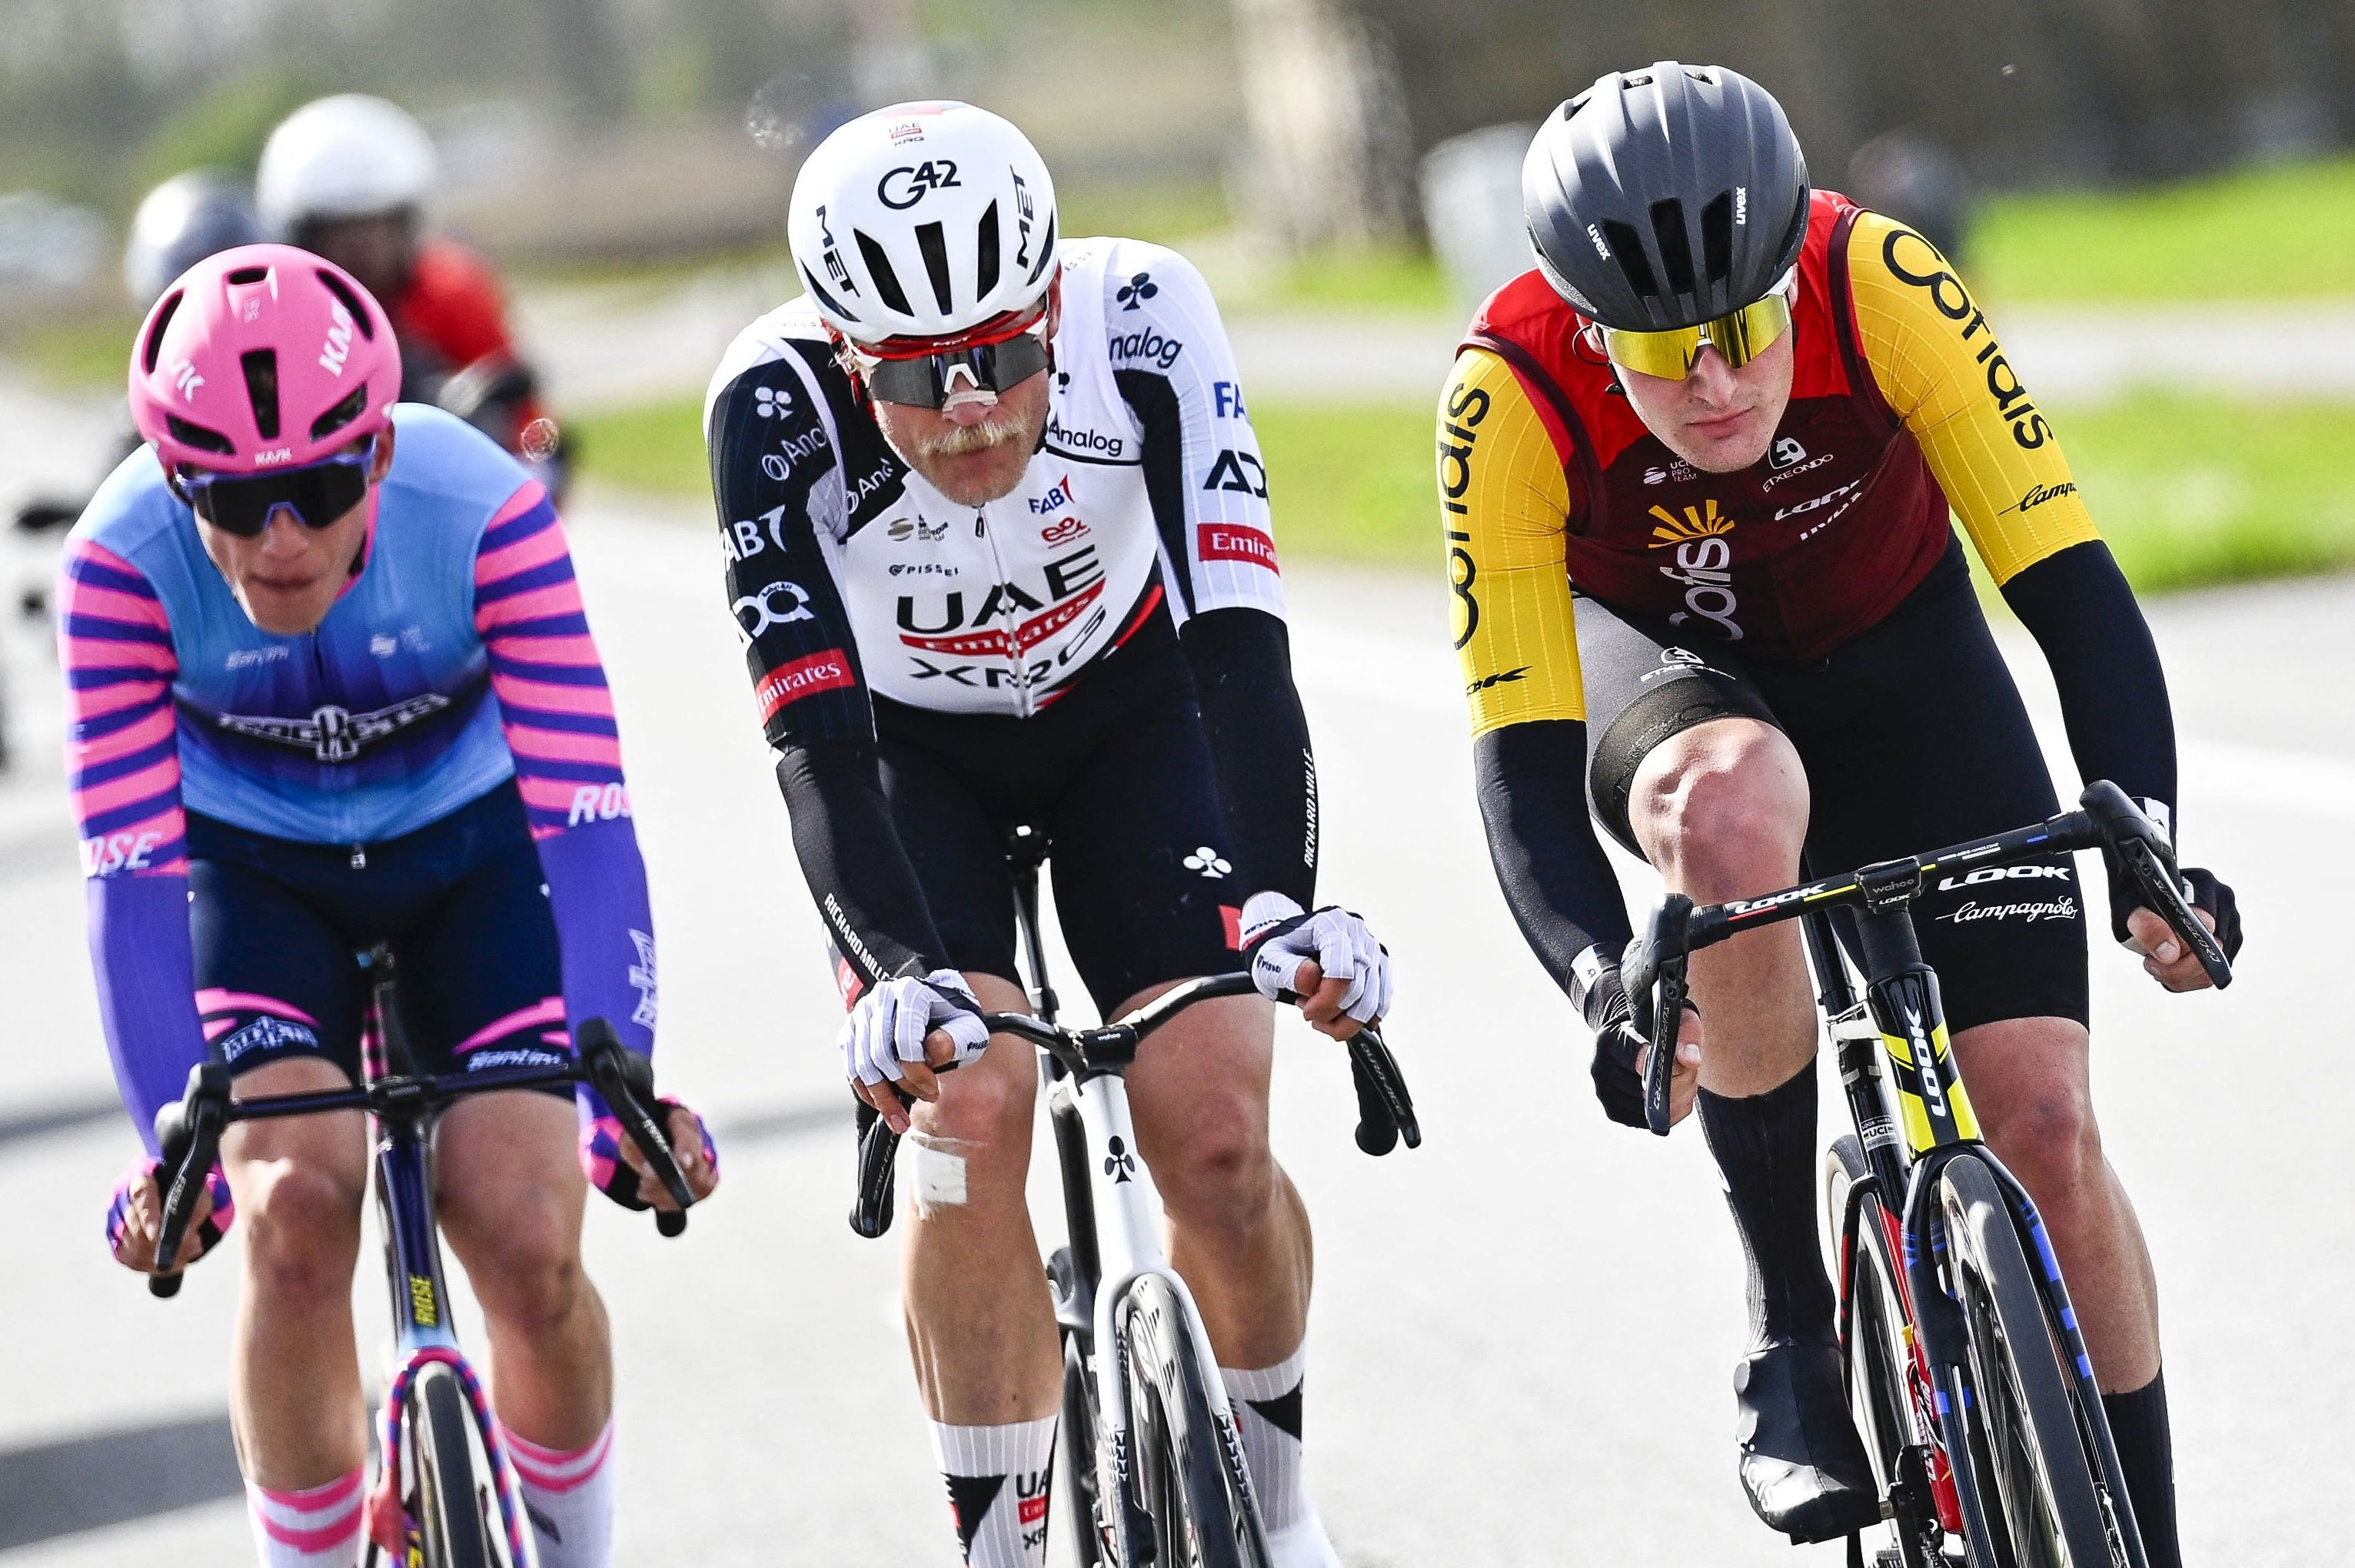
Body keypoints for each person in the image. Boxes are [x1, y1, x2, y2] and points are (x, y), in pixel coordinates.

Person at [1440, 62, 2240, 1561]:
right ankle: (1791, 1333)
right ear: (1584, 325)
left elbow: (2068, 587)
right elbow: (1522, 747)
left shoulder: (1874, 276)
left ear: (1782, 284)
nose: (1713, 382)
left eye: (1741, 331)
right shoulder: (1507, 390)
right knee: (1738, 803)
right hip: (1671, 677)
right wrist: (1598, 978)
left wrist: (2145, 837)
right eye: (1659, 351)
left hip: (1905, 664)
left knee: (2047, 1125)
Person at [705, 101, 1392, 1568]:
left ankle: (1279, 1514)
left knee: (1213, 1132)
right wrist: (894, 968)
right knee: (965, 1116)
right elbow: (811, 743)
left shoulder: (1144, 312)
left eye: (1006, 358)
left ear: (1049, 309)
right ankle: (999, 1546)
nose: (972, 410)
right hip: (906, 757)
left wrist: (1282, 905)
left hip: (1133, 713)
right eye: (915, 376)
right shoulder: (764, 405)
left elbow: (1238, 653)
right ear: (841, 353)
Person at [63, 243, 717, 1568]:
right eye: (237, 505)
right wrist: (165, 1145)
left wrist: (620, 1083)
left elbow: (585, 817)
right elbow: (131, 874)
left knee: (527, 1231)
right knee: (292, 1208)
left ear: (373, 455)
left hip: (470, 855)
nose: (282, 538)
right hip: (255, 879)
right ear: (176, 481)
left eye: (314, 487)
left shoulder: (480, 506)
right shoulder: (117, 567)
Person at [258, 94, 570, 500]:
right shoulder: (270, 313)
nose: (364, 250)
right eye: (342, 231)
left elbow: (528, 432)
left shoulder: (453, 290)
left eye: (378, 227)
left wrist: (538, 456)